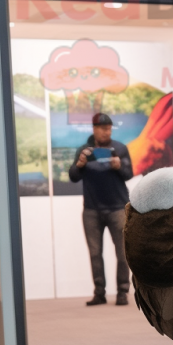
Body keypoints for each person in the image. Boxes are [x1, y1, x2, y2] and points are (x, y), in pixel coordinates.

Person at [69, 113, 133, 306]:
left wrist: (119, 166)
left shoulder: (120, 149)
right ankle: (99, 293)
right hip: (91, 210)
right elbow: (73, 176)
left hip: (118, 209)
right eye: (104, 129)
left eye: (110, 129)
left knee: (123, 253)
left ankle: (123, 292)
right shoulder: (84, 150)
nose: (107, 132)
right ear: (94, 129)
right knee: (95, 253)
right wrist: (80, 165)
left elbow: (129, 174)